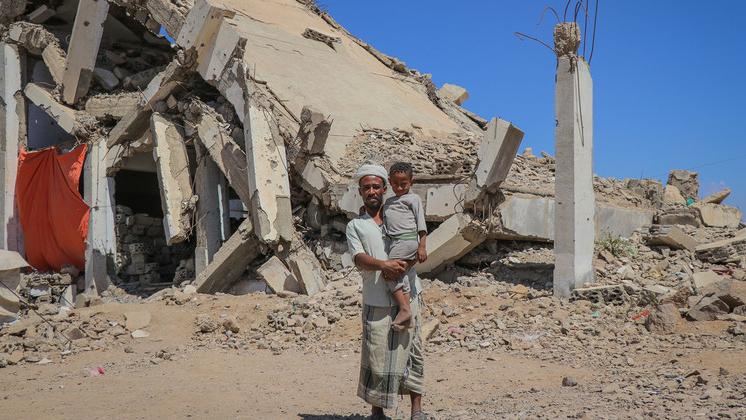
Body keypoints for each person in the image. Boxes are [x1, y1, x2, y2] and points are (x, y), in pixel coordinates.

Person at [346, 163, 426, 420]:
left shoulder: (398, 211)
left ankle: (417, 411)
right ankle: (377, 412)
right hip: (377, 299)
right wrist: (384, 265)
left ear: (384, 189)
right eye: (366, 187)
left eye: (376, 186)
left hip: (410, 294)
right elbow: (358, 257)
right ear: (360, 192)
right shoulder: (355, 225)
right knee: (376, 356)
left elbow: (415, 240)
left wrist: (404, 265)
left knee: (413, 351)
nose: (371, 191)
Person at [383, 162, 427, 331]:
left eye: (404, 184)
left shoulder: (413, 199)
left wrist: (422, 246)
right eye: (395, 184)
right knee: (401, 273)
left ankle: (404, 308)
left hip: (406, 240)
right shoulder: (389, 202)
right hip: (396, 242)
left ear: (411, 182)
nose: (400, 187)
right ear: (390, 182)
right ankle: (407, 316)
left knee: (388, 272)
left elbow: (421, 224)